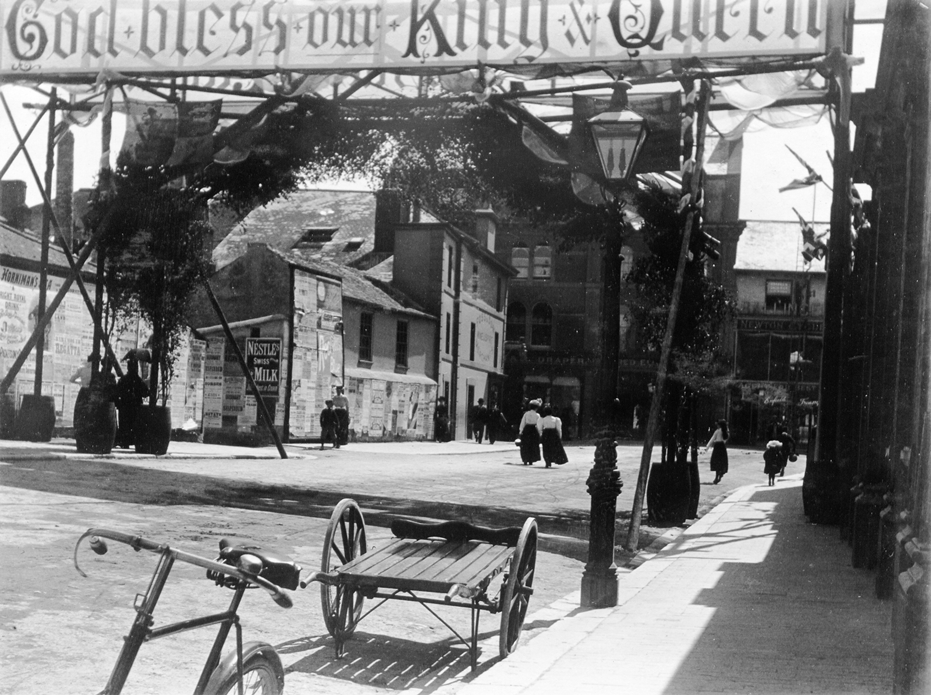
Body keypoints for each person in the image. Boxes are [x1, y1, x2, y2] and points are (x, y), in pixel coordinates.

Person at [115, 355, 149, 449]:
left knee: (124, 425)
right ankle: (131, 441)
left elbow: (117, 392)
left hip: (124, 406)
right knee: (134, 424)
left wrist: (118, 403)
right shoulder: (138, 380)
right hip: (135, 406)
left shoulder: (124, 379)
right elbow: (146, 393)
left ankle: (124, 442)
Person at [704, 419, 729, 484]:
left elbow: (712, 439)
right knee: (722, 461)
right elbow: (724, 440)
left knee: (716, 461)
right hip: (722, 447)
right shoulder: (725, 431)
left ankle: (716, 476)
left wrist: (707, 447)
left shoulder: (717, 431)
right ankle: (721, 473)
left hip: (717, 446)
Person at [517, 399, 542, 465]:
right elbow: (539, 424)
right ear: (536, 407)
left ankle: (525, 459)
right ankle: (531, 459)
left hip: (527, 430)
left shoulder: (526, 414)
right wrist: (540, 433)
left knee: (525, 445)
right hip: (534, 430)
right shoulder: (537, 415)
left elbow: (523, 423)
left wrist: (520, 431)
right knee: (533, 445)